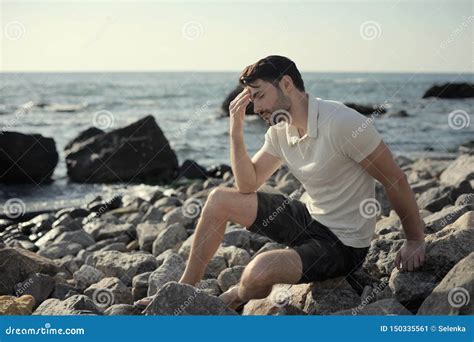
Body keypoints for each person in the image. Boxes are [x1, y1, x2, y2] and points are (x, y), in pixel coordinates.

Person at [137, 55, 426, 310]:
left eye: (259, 95)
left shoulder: (342, 122)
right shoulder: (279, 131)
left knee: (259, 271)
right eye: (251, 98)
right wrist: (235, 129)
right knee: (219, 199)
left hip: (345, 244)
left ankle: (233, 296)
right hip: (310, 219)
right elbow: (247, 185)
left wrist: (415, 240)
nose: (256, 107)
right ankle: (182, 290)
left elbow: (395, 179)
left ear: (286, 84)